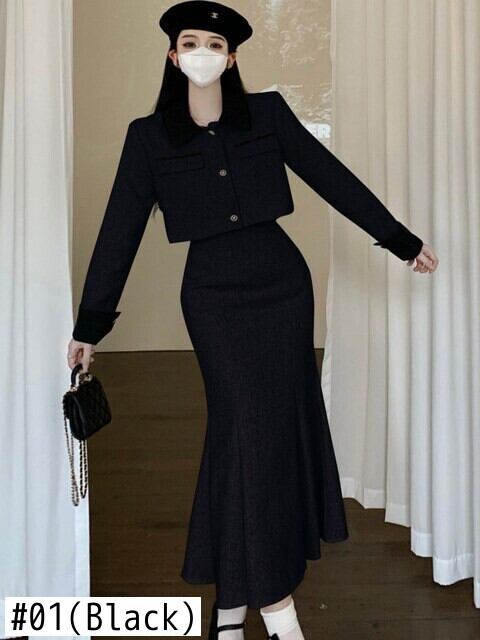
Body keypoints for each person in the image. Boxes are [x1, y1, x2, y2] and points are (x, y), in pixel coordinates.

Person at [67, 2, 439, 638]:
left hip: (283, 289)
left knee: (255, 439)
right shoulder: (149, 137)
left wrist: (400, 240)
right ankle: (276, 604)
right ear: (173, 55)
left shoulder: (266, 115)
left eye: (215, 44)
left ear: (232, 57)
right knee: (245, 433)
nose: (202, 52)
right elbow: (119, 230)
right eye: (191, 42)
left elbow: (330, 177)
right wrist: (90, 326)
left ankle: (233, 608)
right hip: (213, 299)